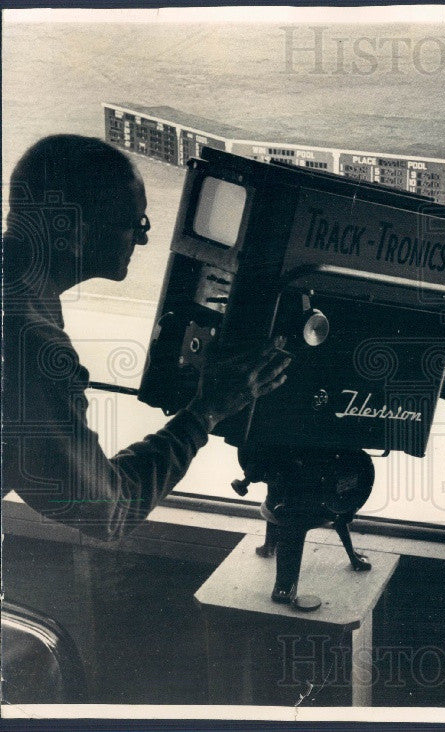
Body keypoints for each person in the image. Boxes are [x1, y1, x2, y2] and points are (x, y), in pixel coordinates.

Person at [2, 134, 291, 541]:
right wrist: (205, 412)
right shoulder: (33, 348)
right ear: (73, 228)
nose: (143, 240)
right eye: (133, 224)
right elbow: (108, 510)